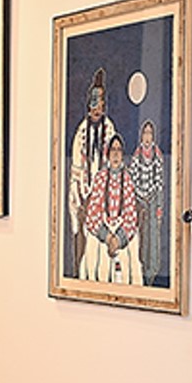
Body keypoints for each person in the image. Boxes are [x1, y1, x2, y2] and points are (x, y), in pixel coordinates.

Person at [66, 68, 120, 271]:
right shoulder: (81, 132)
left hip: (103, 193)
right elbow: (76, 167)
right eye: (94, 103)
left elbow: (112, 163)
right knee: (81, 234)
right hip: (83, 192)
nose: (97, 108)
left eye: (101, 103)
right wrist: (79, 193)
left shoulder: (109, 130)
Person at [84, 131, 140, 283]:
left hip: (122, 230)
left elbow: (131, 214)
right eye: (113, 150)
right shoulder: (100, 178)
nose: (116, 154)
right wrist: (107, 236)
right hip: (103, 229)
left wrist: (118, 239)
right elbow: (92, 213)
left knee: (128, 266)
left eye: (119, 150)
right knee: (98, 265)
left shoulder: (127, 179)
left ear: (122, 155)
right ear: (108, 154)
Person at [132, 119, 168, 287]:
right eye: (145, 133)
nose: (147, 137)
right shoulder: (137, 155)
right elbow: (133, 179)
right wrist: (138, 198)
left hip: (153, 200)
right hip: (140, 201)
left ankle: (152, 271)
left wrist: (159, 205)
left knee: (153, 238)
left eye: (150, 133)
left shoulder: (157, 154)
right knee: (142, 238)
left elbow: (160, 182)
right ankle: (141, 270)